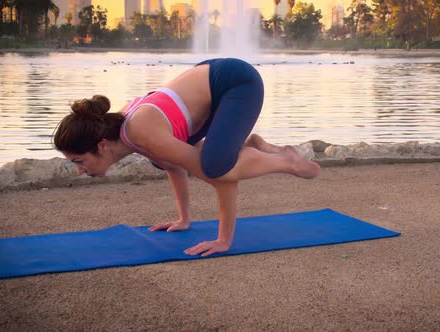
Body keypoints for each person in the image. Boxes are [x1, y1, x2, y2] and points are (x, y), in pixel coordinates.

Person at [53, 58, 320, 257]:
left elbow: (220, 180)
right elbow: (172, 165)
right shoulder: (128, 134)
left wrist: (223, 240)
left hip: (236, 82)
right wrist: (184, 220)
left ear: (102, 146)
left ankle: (287, 160)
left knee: (217, 167)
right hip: (208, 90)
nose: (79, 170)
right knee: (162, 159)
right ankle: (250, 144)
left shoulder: (140, 131)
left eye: (78, 161)